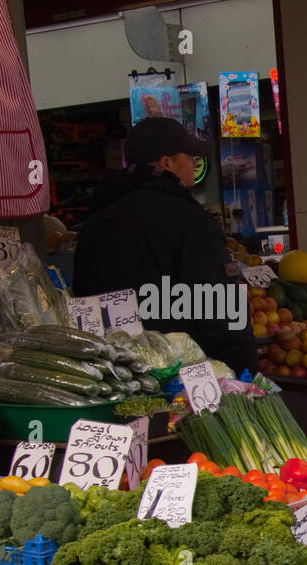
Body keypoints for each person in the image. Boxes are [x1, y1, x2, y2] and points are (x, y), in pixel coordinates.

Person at [73, 117, 256, 376]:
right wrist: (244, 372)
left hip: (114, 379)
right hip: (181, 380)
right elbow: (219, 310)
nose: (195, 163)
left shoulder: (94, 225)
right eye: (190, 156)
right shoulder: (191, 221)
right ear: (166, 162)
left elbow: (82, 300)